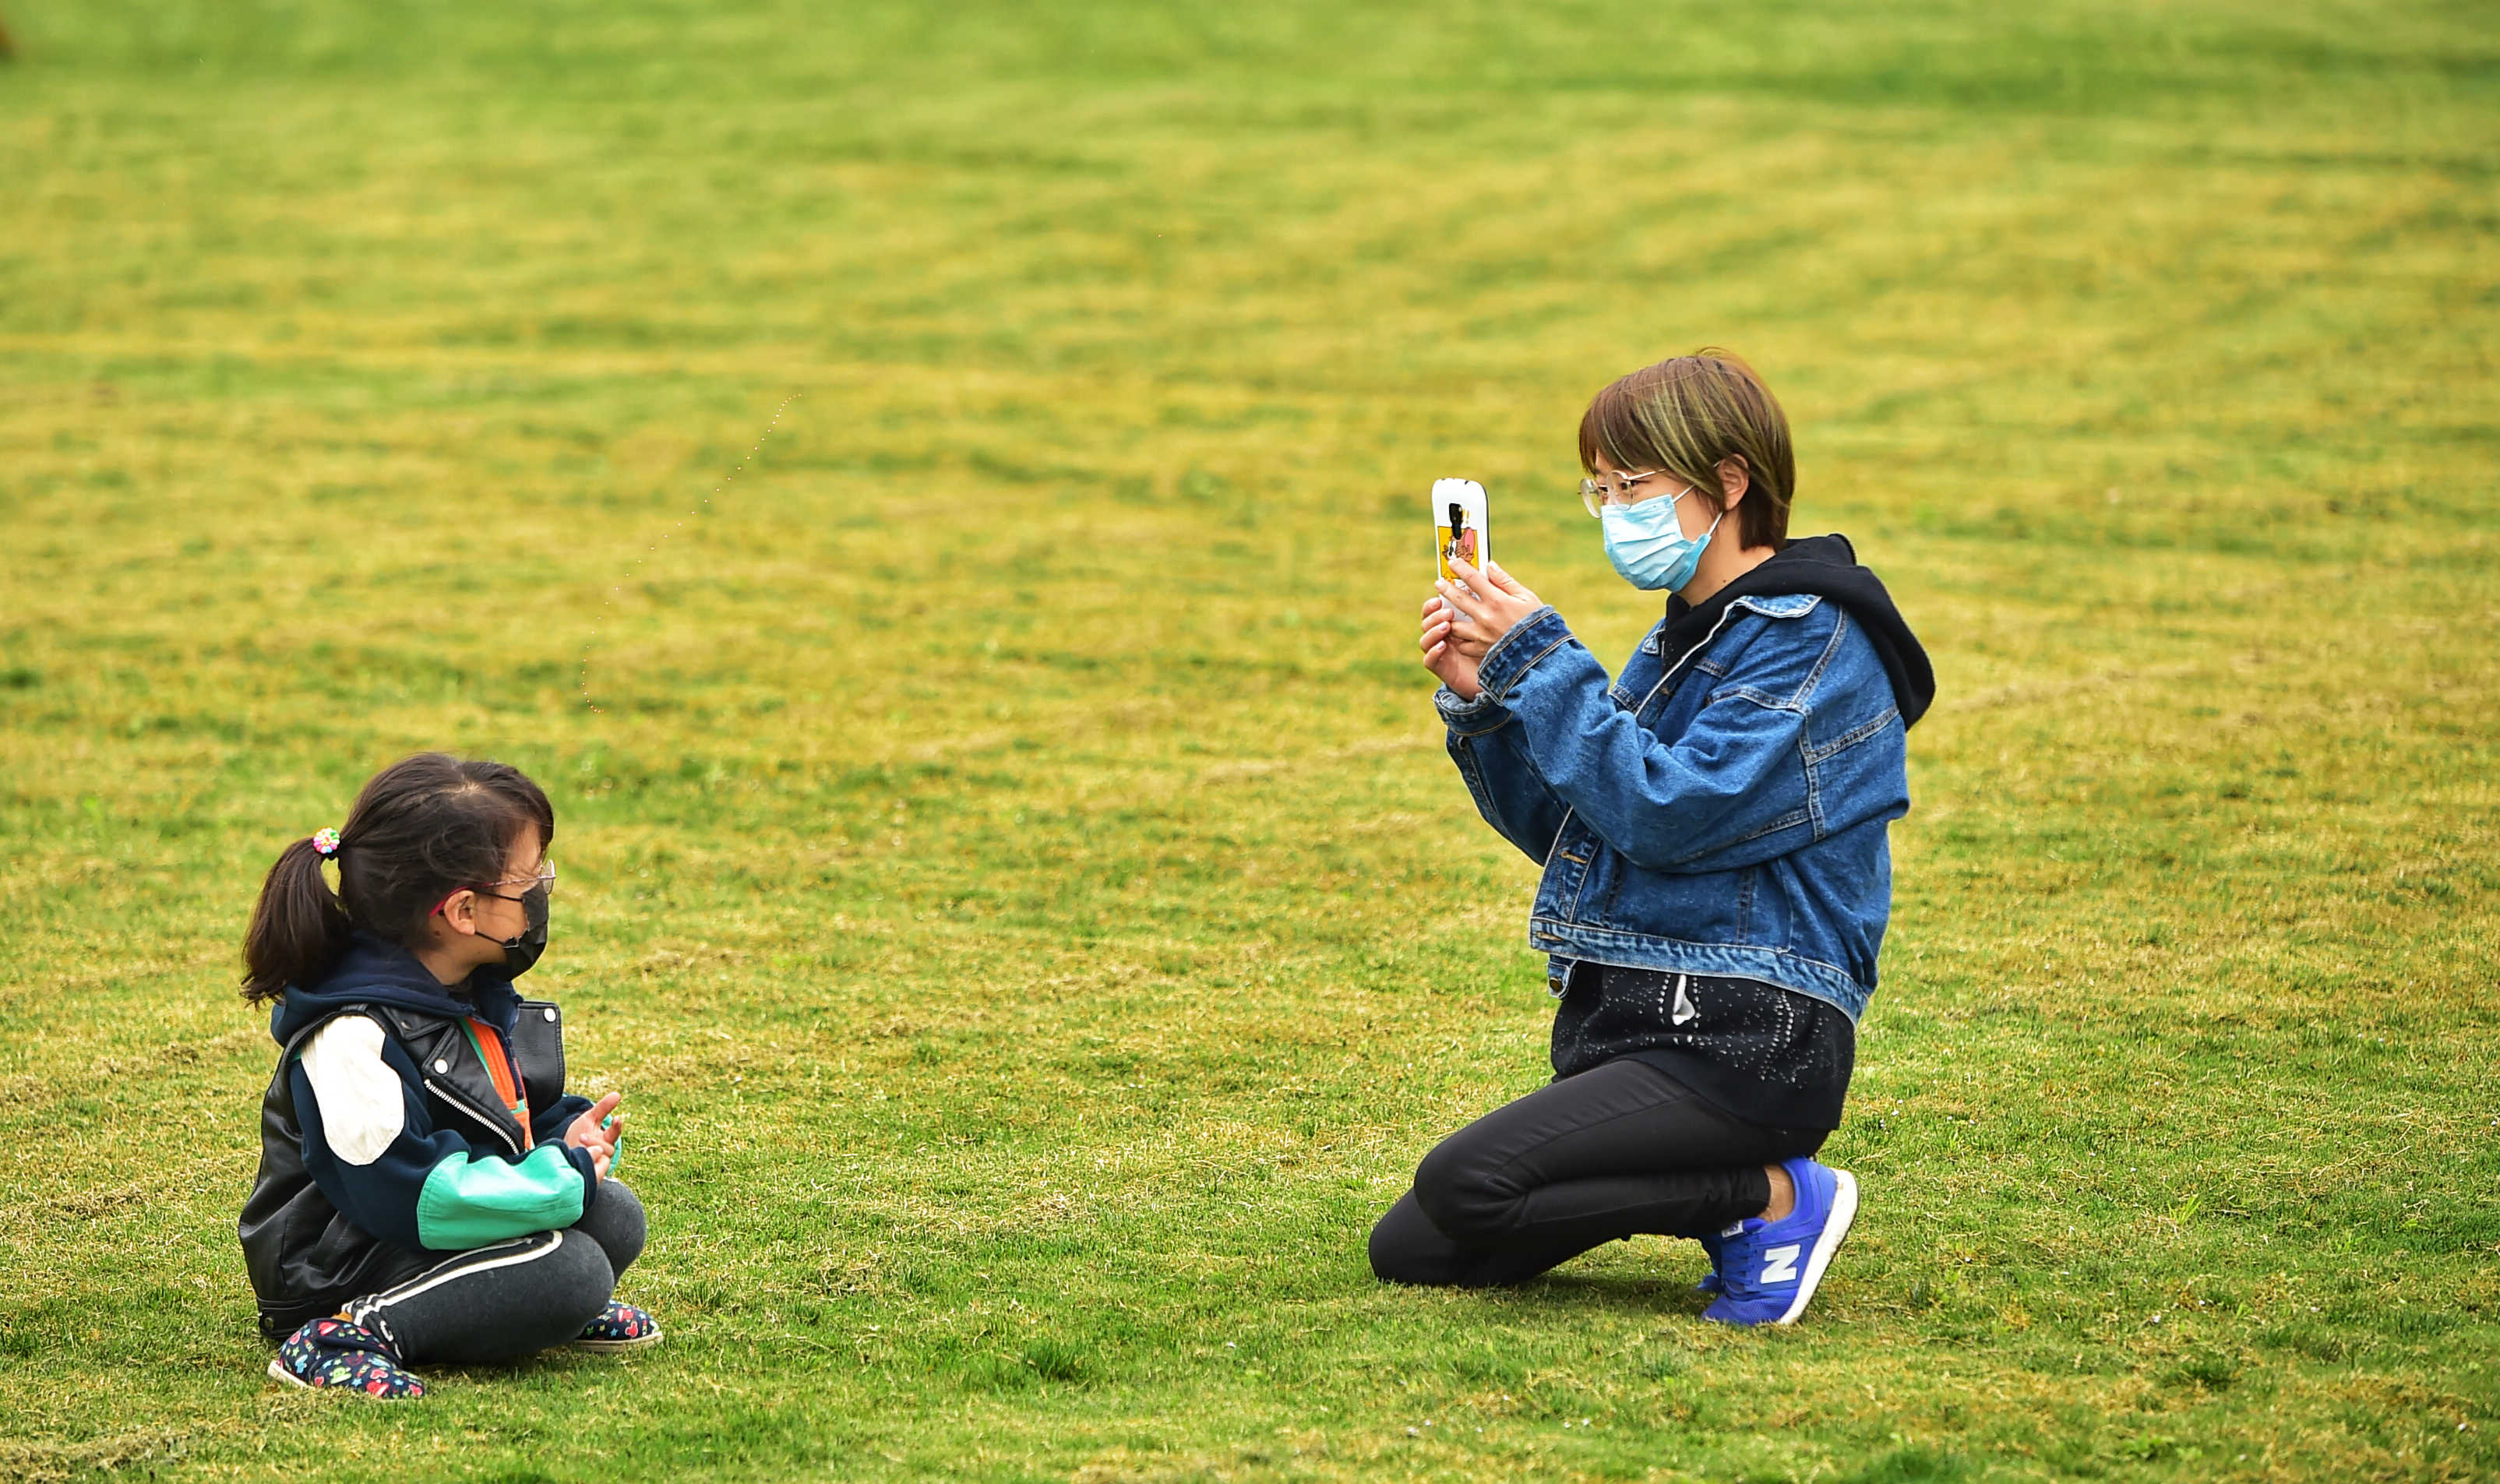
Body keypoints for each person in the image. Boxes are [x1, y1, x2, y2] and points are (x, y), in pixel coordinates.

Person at [1370, 351, 1934, 1325]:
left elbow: (1667, 813)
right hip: (1640, 1028)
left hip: (1749, 1037)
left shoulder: (1813, 638)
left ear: (1727, 481)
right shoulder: (1685, 638)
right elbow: (1578, 828)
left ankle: (1775, 1198)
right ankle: (1742, 1202)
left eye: (1631, 484)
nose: (1611, 508)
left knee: (1468, 1182)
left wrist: (1541, 661)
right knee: (1416, 1248)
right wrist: (1488, 709)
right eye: (1599, 488)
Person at [237, 753, 661, 1398]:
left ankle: (518, 1306)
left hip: (413, 1231)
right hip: (337, 1265)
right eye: (531, 880)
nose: (544, 891)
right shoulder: (353, 1035)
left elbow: (492, 1120)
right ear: (462, 911)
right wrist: (556, 1177)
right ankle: (345, 1337)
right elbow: (416, 1196)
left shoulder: (460, 988)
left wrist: (563, 1138)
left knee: (615, 1215)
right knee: (571, 1270)